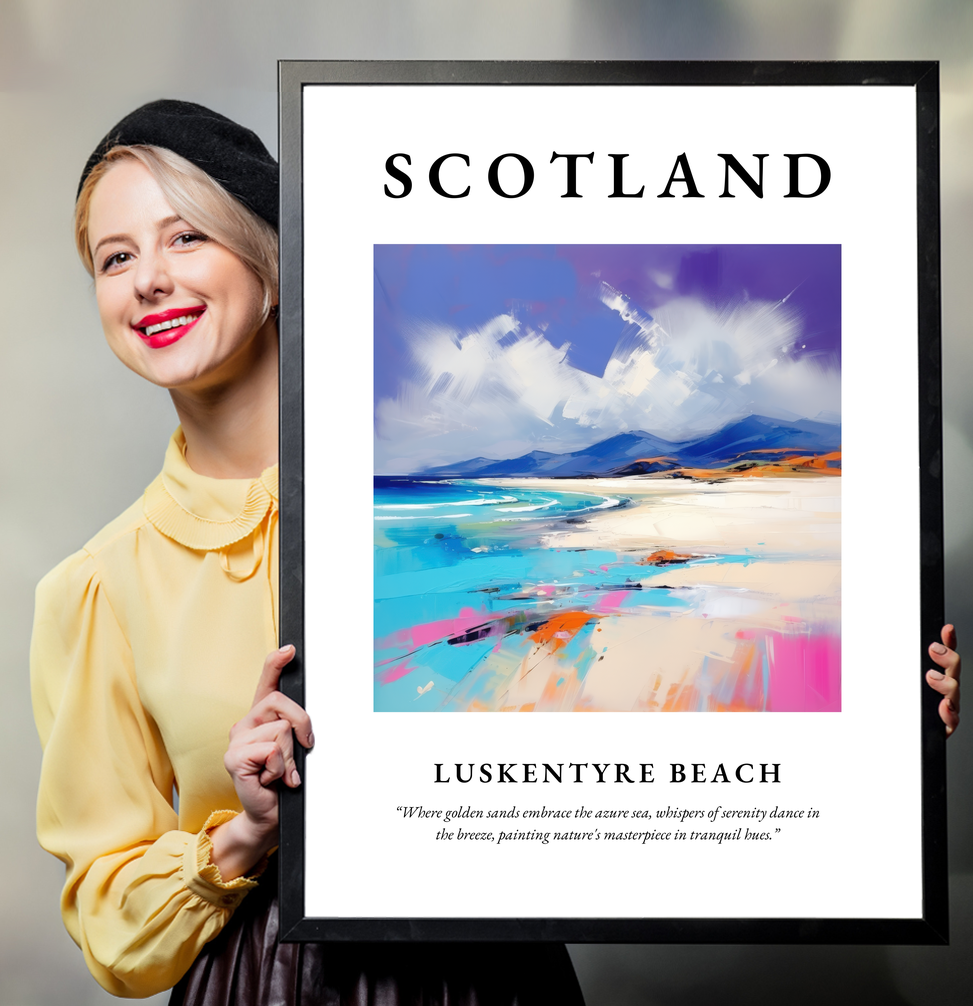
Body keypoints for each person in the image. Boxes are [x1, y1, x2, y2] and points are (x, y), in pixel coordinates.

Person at [30, 100, 586, 1004]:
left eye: (185, 238)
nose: (148, 281)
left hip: (492, 974)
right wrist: (245, 832)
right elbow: (110, 922)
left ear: (273, 263)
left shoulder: (455, 497)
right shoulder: (97, 587)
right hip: (262, 982)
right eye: (116, 257)